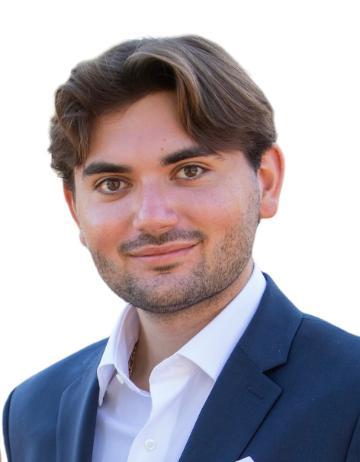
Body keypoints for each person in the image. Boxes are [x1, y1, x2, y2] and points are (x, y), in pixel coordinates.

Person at [2, 35, 360, 462]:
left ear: (265, 181)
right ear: (75, 208)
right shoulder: (31, 410)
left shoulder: (350, 395)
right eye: (112, 184)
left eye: (190, 171)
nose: (153, 217)